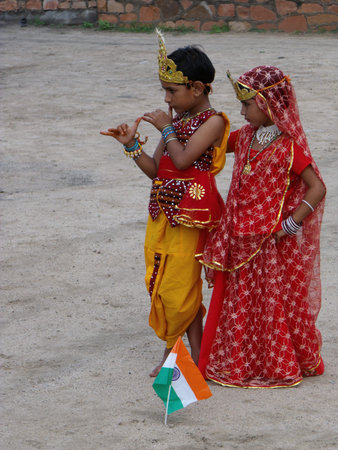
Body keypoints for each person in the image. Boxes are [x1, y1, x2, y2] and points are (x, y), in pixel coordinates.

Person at [101, 30, 230, 377]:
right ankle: (194, 360)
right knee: (161, 284)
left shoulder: (214, 120)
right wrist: (131, 146)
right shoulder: (178, 122)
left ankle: (180, 358)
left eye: (172, 90)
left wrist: (165, 129)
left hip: (192, 215)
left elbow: (185, 159)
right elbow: (158, 170)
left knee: (179, 288)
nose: (167, 99)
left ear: (198, 89)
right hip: (162, 212)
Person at [198, 65, 326, 388]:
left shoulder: (288, 148)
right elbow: (212, 142)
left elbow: (317, 187)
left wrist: (291, 223)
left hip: (271, 242)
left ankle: (272, 363)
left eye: (247, 105)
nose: (242, 112)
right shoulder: (245, 138)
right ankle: (236, 362)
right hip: (239, 236)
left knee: (271, 307)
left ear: (268, 104)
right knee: (240, 304)